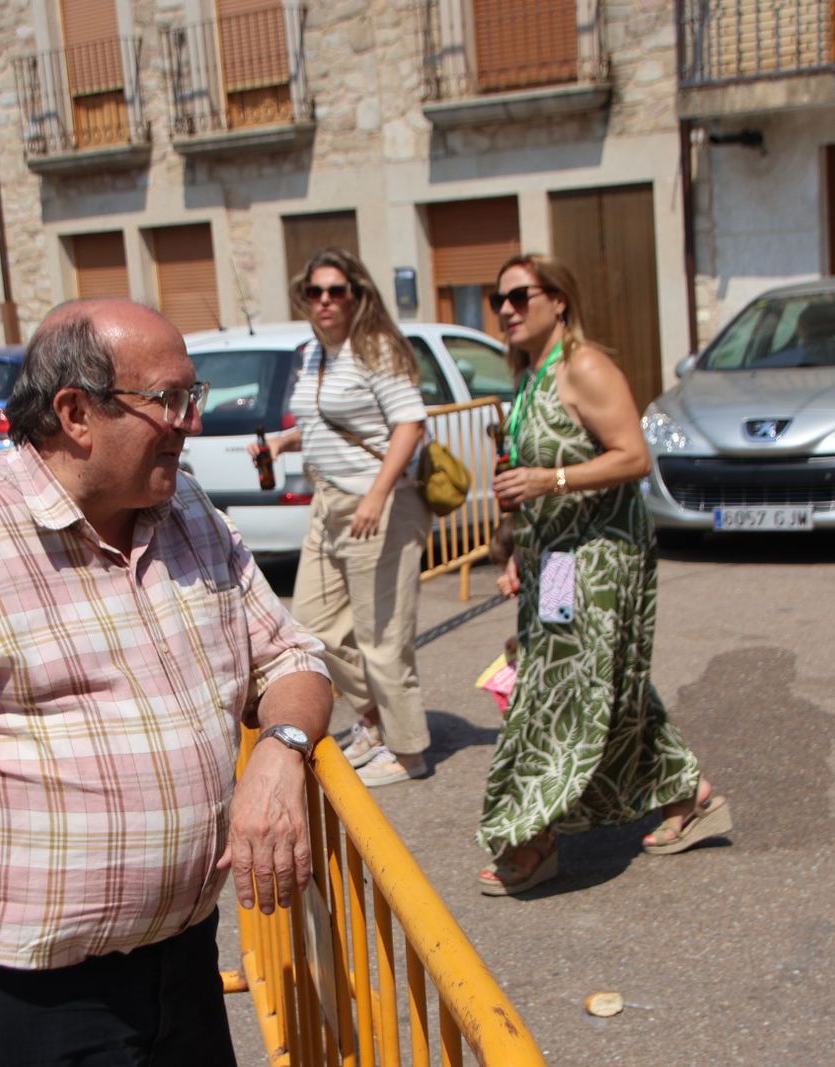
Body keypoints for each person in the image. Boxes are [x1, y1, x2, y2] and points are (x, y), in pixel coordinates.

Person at [0, 299, 331, 1066]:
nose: (191, 422)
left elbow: (292, 658)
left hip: (183, 969)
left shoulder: (188, 514)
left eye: (193, 396)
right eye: (170, 400)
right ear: (75, 413)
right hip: (27, 1003)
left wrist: (281, 749)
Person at [479, 253, 731, 895]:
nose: (506, 309)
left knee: (563, 686)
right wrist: (521, 548)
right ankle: (688, 793)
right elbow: (531, 477)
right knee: (595, 677)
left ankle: (534, 834)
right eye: (497, 299)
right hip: (555, 557)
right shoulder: (530, 376)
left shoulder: (585, 366)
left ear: (559, 299)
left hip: (598, 555)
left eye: (519, 296)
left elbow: (634, 457)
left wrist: (549, 480)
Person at [252, 247, 433, 788]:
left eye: (336, 291)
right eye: (316, 292)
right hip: (329, 503)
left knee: (382, 636)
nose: (325, 301)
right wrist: (282, 443)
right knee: (311, 627)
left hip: (379, 504)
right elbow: (322, 422)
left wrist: (378, 494)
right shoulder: (314, 353)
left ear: (358, 295)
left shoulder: (376, 349)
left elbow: (410, 425)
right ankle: (375, 721)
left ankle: (409, 751)